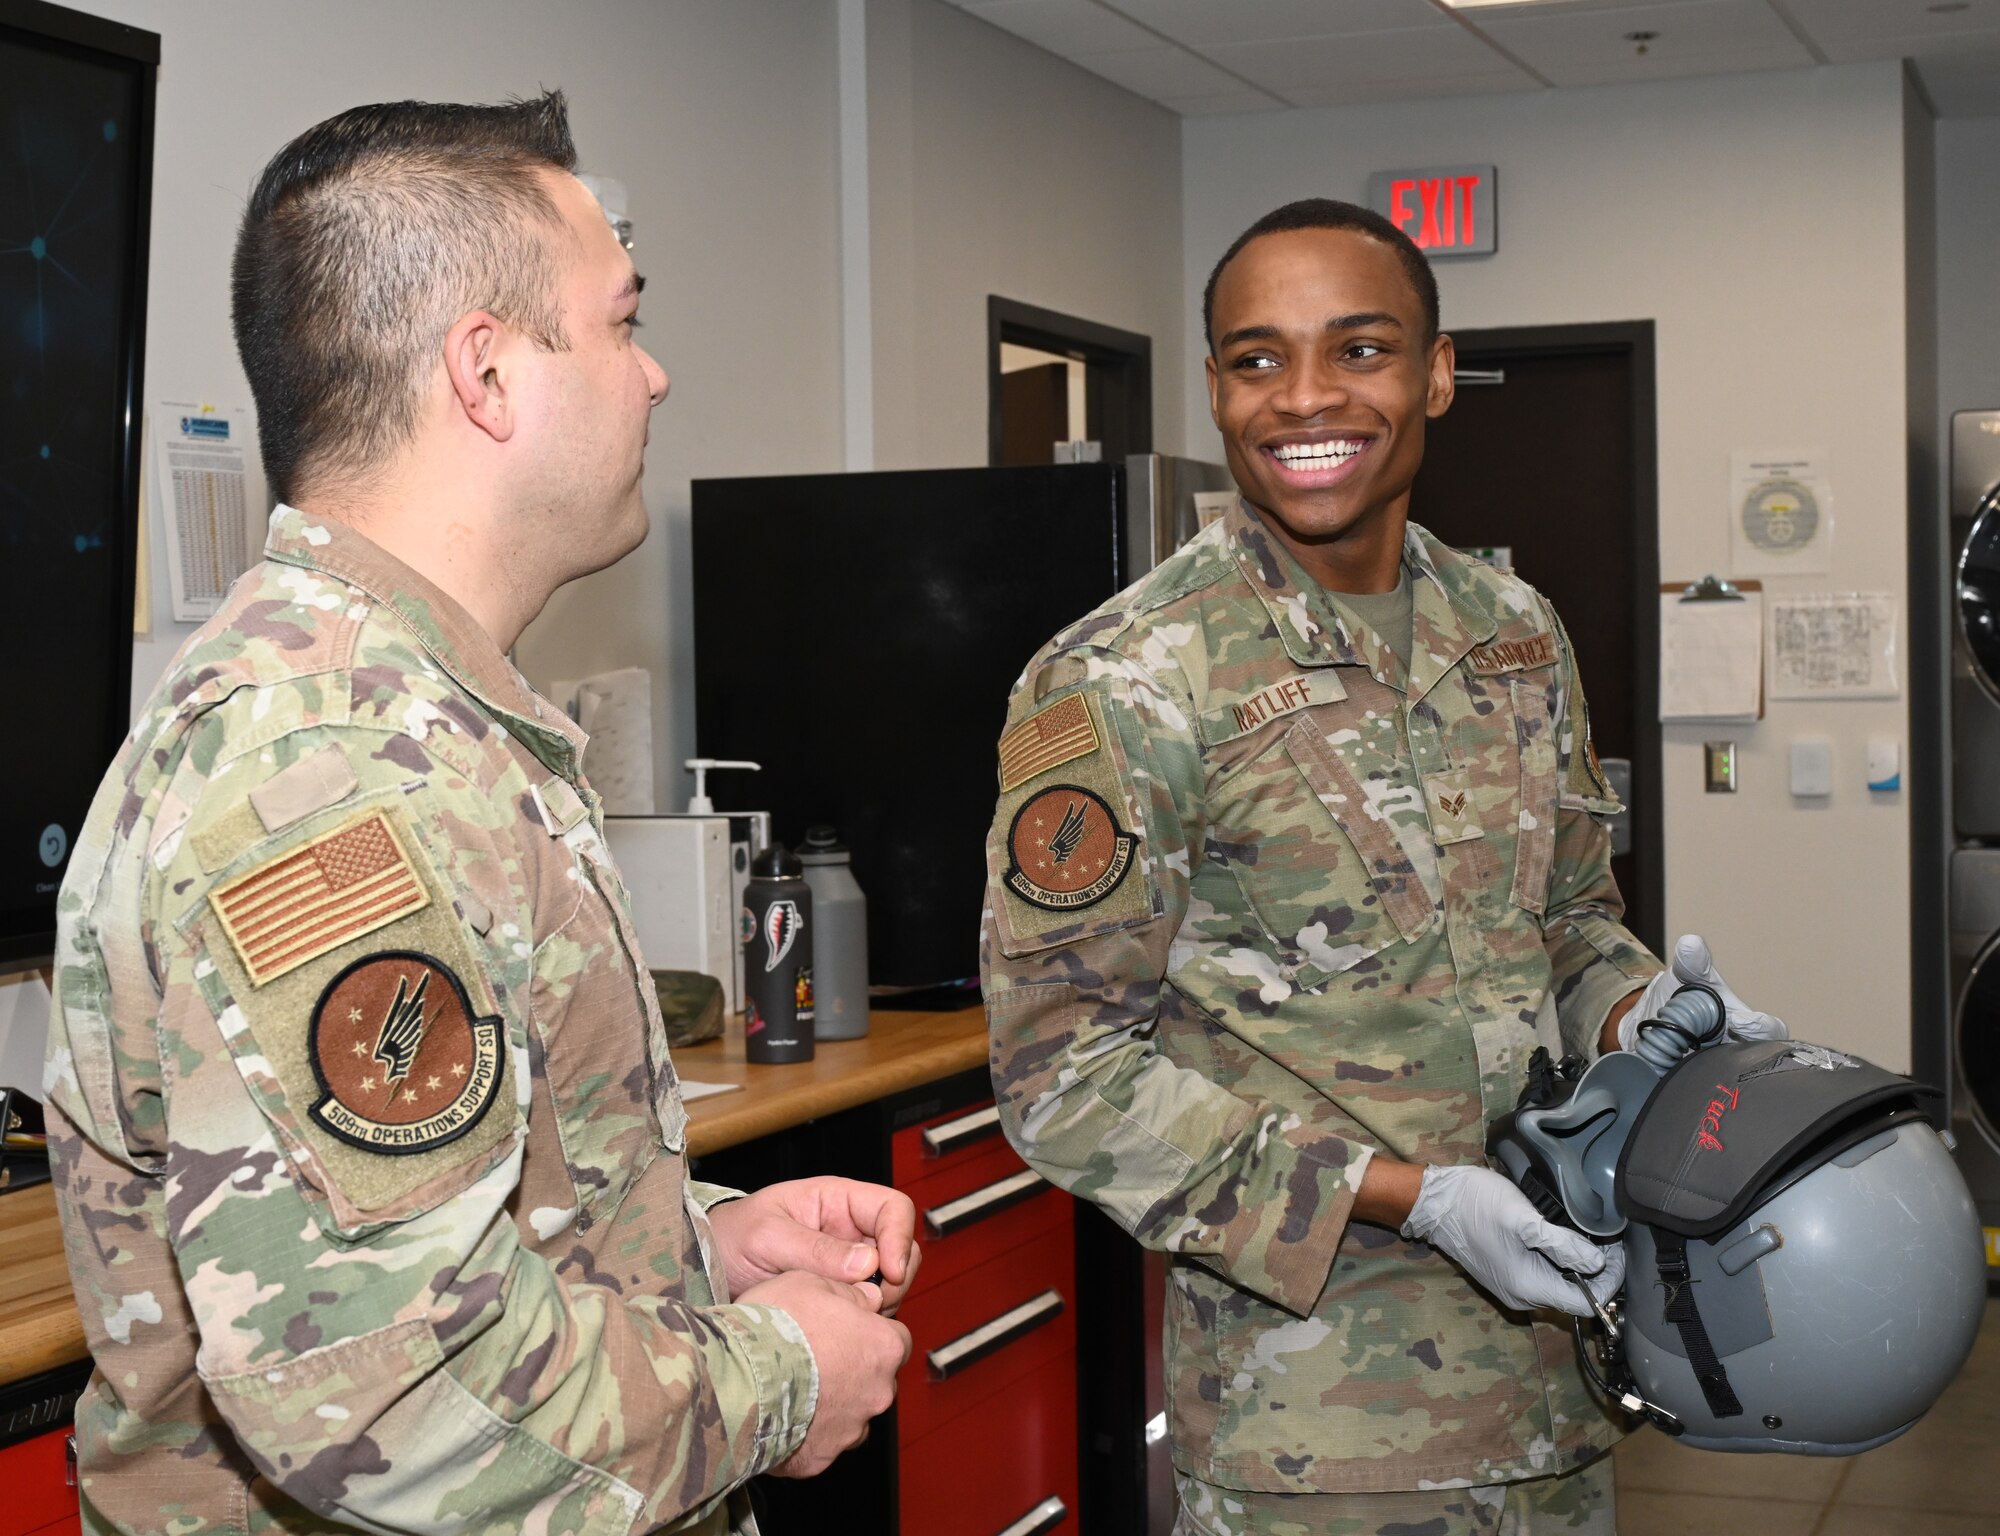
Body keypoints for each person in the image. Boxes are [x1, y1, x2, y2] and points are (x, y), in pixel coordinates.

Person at [46, 92, 913, 1536]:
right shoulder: (328, 767)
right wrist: (771, 1382)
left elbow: (447, 1225)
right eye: (623, 323)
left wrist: (697, 1249)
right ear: (490, 374)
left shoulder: (424, 722)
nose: (656, 376)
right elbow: (385, 1391)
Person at [979, 199, 1783, 1535]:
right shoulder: (1129, 679)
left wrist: (1654, 1019)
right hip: (1319, 1438)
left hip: (1564, 1383)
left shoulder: (1514, 630)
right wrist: (1413, 1202)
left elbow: (1572, 922)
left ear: (1437, 373)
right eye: (1255, 359)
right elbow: (1060, 1071)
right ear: (1217, 388)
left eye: (1358, 350)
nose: (1304, 398)